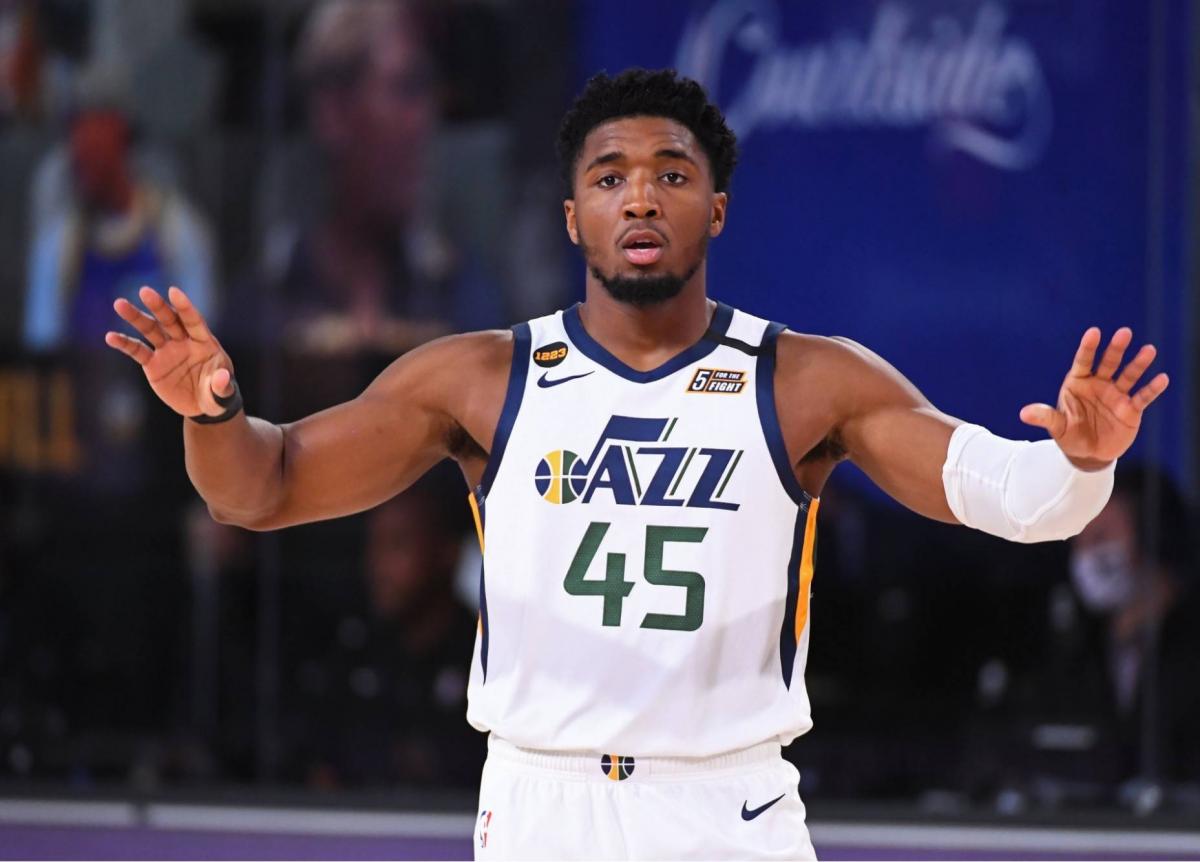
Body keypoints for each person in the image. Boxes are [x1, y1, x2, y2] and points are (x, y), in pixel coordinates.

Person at [104, 69, 1169, 860]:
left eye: (672, 174)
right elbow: (262, 488)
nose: (642, 198)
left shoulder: (807, 380)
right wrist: (216, 412)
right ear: (575, 217)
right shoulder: (479, 378)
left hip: (727, 805)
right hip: (541, 803)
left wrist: (1078, 462)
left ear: (718, 208)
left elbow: (1013, 499)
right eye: (610, 177)